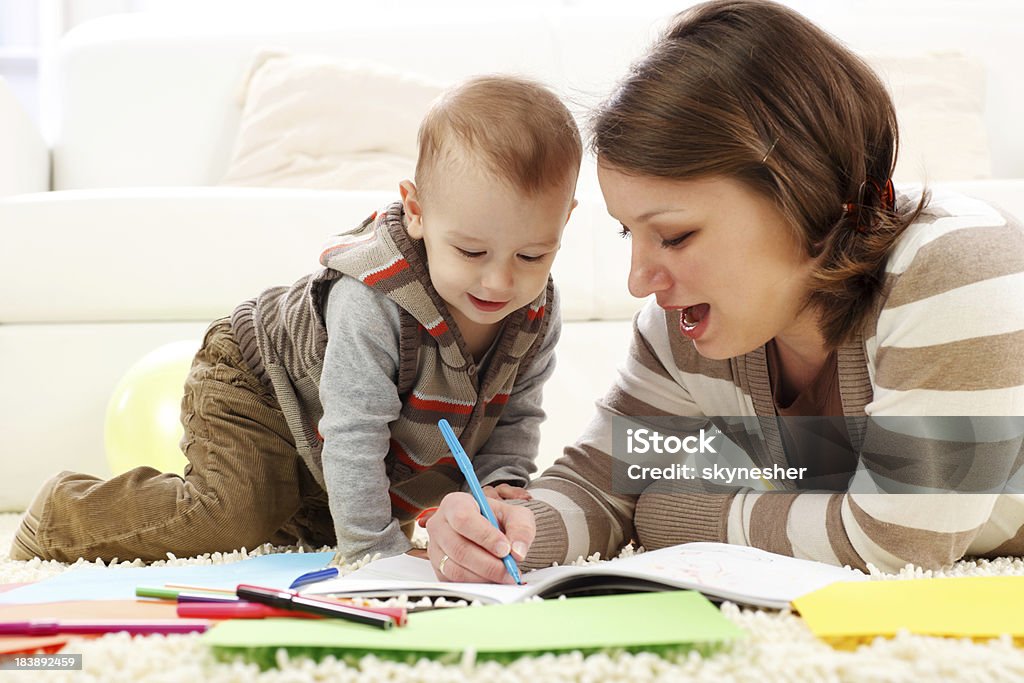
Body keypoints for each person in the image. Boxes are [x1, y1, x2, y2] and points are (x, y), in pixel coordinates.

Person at [423, 0, 1024, 583]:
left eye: (676, 235)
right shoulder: (682, 330)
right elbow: (604, 483)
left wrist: (677, 514)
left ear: (805, 194)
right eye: (628, 232)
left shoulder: (953, 266)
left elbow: (897, 541)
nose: (639, 280)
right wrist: (508, 527)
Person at [11, 75, 581, 564]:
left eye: (532, 255)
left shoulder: (534, 312)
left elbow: (514, 415)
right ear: (416, 211)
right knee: (230, 518)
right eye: (472, 253)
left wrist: (502, 486)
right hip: (258, 384)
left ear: (564, 222)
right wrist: (371, 554)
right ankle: (61, 513)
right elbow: (355, 429)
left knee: (311, 536)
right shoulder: (375, 298)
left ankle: (296, 513)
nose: (500, 282)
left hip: (332, 427)